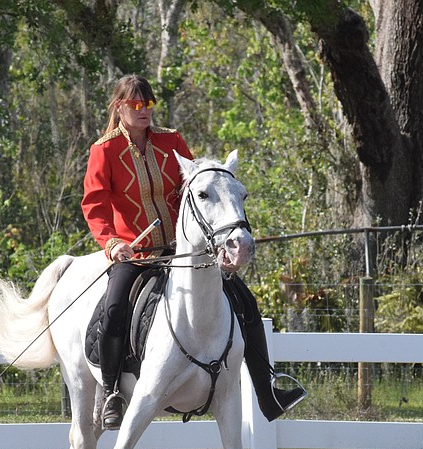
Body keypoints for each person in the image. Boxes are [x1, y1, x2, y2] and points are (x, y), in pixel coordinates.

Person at [82, 74, 306, 430]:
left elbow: (199, 185)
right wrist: (112, 243)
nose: (144, 112)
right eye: (136, 105)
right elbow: (94, 206)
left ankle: (268, 389)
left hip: (181, 250)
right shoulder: (104, 151)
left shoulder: (171, 142)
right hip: (136, 254)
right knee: (113, 309)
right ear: (120, 107)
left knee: (244, 301)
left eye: (148, 105)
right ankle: (111, 392)